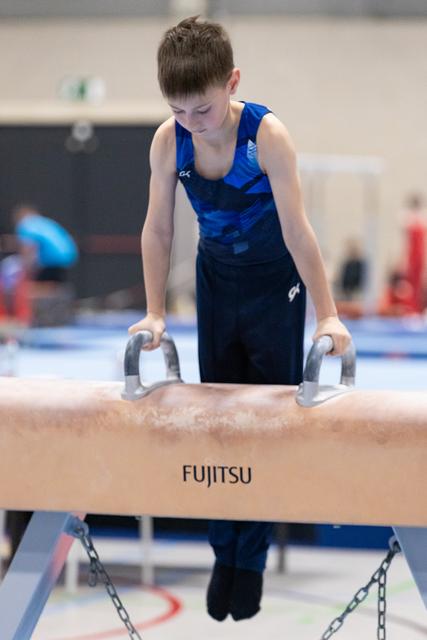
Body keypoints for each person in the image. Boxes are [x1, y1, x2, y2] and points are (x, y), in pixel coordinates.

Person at [128, 16, 351, 622]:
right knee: (217, 425)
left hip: (275, 287)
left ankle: (248, 562)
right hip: (216, 283)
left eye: (201, 108)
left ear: (232, 83)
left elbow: (298, 231)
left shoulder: (267, 137)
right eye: (177, 109)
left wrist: (326, 317)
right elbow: (159, 228)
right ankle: (222, 552)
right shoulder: (167, 140)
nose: (190, 122)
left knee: (264, 423)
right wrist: (154, 313)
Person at [11, 203, 78, 283]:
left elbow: (29, 248)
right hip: (67, 259)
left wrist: (27, 268)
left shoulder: (27, 224)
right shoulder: (45, 222)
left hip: (50, 261)